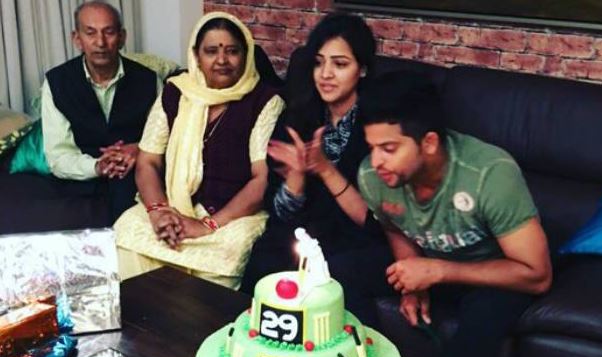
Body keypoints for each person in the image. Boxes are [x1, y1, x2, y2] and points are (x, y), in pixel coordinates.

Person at [356, 71, 553, 357]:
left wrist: (437, 271)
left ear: (429, 143)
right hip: (431, 261)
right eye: (371, 147)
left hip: (495, 273)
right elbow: (394, 225)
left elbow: (537, 275)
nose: (376, 161)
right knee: (338, 275)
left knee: (480, 324)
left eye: (389, 149)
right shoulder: (373, 176)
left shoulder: (490, 174)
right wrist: (410, 276)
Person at [241, 13, 394, 326]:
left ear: (362, 69)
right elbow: (279, 213)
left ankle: (353, 353)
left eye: (340, 64)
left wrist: (324, 169)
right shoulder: (299, 115)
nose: (325, 74)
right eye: (318, 63)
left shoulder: (380, 124)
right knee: (263, 257)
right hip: (308, 233)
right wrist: (295, 181)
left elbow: (378, 223)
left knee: (332, 275)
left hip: (359, 241)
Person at [113, 12, 285, 289]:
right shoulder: (175, 92)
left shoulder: (265, 101)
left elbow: (261, 179)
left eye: (232, 51)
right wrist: (158, 211)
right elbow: (148, 161)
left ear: (246, 55)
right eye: (211, 51)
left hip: (231, 216)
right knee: (127, 232)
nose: (222, 60)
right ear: (196, 55)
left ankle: (190, 318)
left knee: (228, 252)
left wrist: (207, 225)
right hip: (171, 205)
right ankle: (142, 316)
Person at [42, 1, 159, 221]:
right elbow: (58, 156)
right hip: (81, 181)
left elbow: (167, 139)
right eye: (90, 33)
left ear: (122, 37)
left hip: (135, 179)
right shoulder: (57, 82)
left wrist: (140, 149)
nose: (100, 42)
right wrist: (97, 166)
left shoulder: (149, 80)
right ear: (77, 39)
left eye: (109, 32)